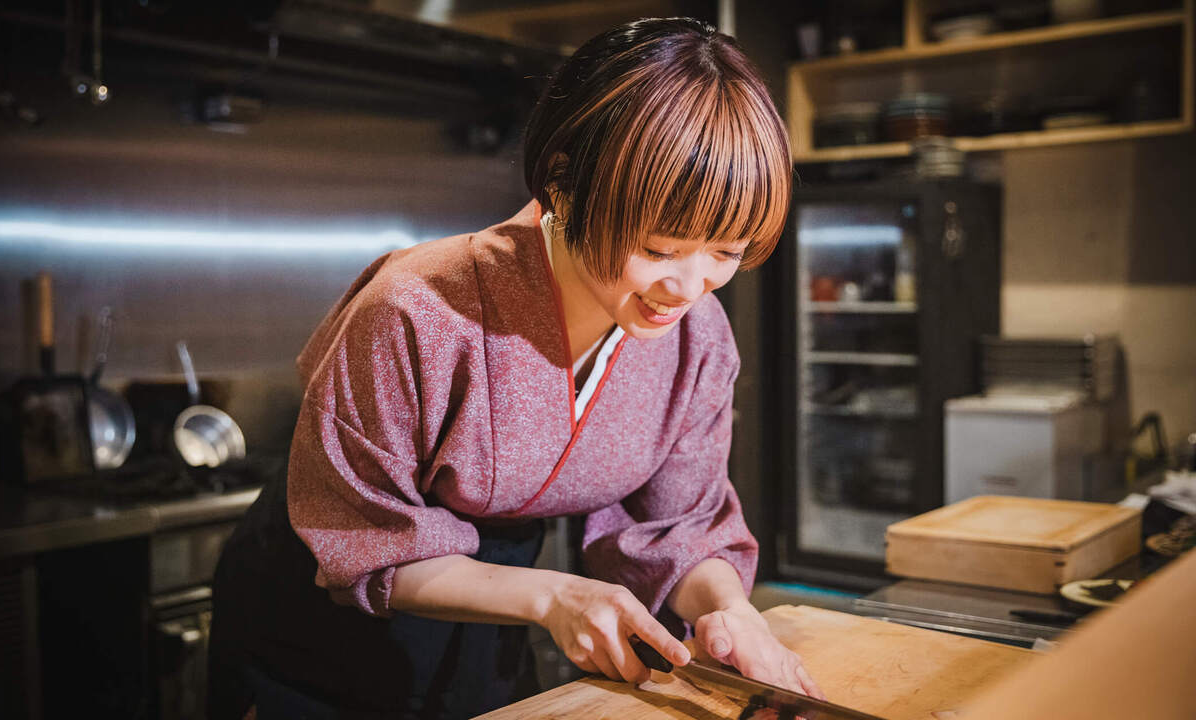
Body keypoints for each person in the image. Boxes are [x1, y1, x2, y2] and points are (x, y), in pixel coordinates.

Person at [209, 16, 820, 720]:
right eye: (659, 248)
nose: (687, 288)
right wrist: (556, 596)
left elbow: (680, 524)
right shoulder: (418, 310)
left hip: (489, 615)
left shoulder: (698, 338)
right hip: (315, 624)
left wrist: (728, 609)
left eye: (726, 251)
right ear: (563, 188)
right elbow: (364, 538)